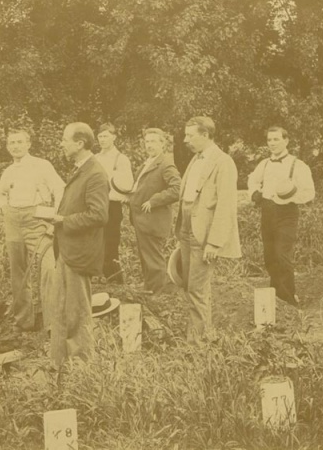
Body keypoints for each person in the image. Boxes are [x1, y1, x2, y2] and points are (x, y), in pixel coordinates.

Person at [175, 116, 241, 343]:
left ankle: (200, 343)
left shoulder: (223, 162)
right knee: (189, 285)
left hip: (204, 234)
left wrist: (214, 242)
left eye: (190, 135)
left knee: (197, 288)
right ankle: (196, 336)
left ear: (205, 135)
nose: (185, 140)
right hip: (186, 228)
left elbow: (226, 204)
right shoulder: (195, 159)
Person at [48, 122, 109, 366]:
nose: (61, 143)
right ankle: (60, 364)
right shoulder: (81, 169)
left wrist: (63, 220)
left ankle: (82, 367)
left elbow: (99, 216)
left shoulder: (95, 173)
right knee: (61, 309)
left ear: (80, 143)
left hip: (79, 253)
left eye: (65, 139)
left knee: (78, 312)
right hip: (67, 250)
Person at [0, 130, 65, 331]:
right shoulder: (8, 170)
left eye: (19, 142)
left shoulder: (42, 165)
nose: (15, 146)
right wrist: (4, 208)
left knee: (48, 269)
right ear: (8, 146)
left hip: (37, 219)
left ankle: (52, 324)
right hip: (13, 220)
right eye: (11, 142)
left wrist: (55, 216)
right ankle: (23, 321)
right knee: (17, 270)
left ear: (28, 144)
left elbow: (60, 188)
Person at [247, 126, 315, 306]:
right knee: (269, 255)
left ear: (286, 141)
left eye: (276, 139)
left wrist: (290, 195)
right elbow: (252, 179)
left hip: (287, 213)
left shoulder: (297, 165)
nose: (272, 144)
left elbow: (309, 192)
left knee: (282, 254)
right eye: (269, 140)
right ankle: (276, 297)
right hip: (267, 211)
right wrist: (255, 192)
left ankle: (289, 299)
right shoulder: (265, 164)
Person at [128, 128, 181, 295]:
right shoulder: (147, 163)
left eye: (153, 141)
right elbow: (141, 187)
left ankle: (157, 294)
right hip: (141, 219)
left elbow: (177, 189)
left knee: (153, 258)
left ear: (162, 144)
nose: (149, 145)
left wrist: (154, 200)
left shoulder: (165, 163)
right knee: (146, 257)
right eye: (147, 142)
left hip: (153, 220)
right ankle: (148, 289)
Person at [95, 123, 134, 283]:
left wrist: (120, 192)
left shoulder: (121, 159)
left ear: (114, 137)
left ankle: (114, 281)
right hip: (96, 205)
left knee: (111, 242)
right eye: (100, 136)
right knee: (97, 241)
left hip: (112, 206)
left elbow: (128, 185)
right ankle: (99, 277)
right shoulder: (95, 158)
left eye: (106, 136)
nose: (102, 139)